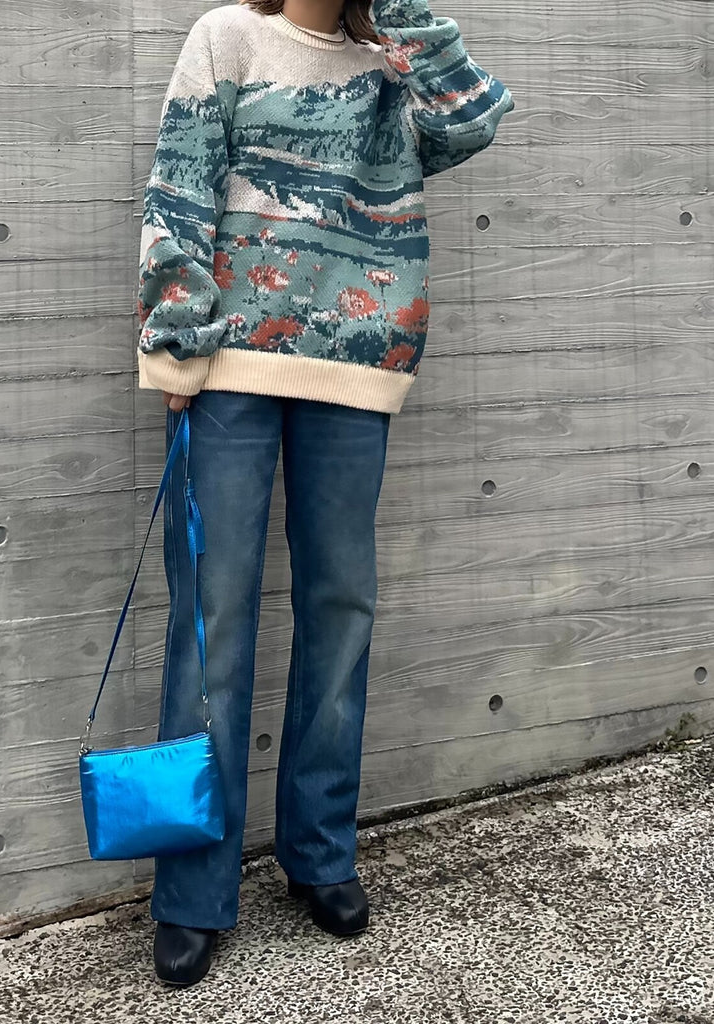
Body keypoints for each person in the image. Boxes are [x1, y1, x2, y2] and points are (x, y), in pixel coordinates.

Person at [137, 0, 513, 987]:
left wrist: (401, 20)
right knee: (212, 619)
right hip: (228, 369)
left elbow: (472, 118)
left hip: (355, 366)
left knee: (341, 606)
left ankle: (318, 852)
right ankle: (191, 889)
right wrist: (175, 336)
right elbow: (180, 184)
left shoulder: (393, 60)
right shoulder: (227, 36)